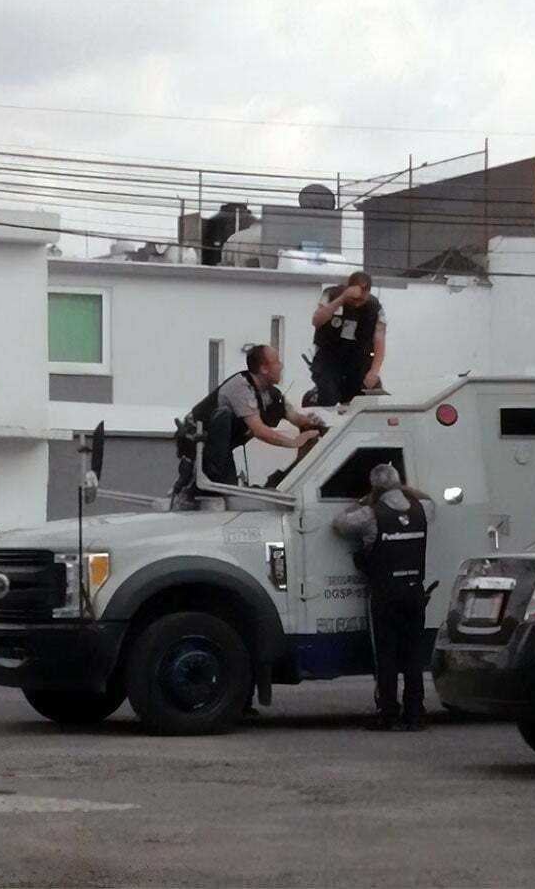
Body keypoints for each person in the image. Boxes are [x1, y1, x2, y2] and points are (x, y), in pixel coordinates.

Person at [333, 464, 434, 731]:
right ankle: (415, 715)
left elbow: (340, 524)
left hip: (385, 593)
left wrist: (365, 498)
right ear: (400, 484)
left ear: (375, 488)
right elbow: (430, 499)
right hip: (415, 591)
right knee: (413, 655)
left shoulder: (370, 514)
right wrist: (404, 489)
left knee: (386, 655)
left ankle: (388, 714)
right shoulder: (422, 509)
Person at [176, 345, 320, 489]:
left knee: (229, 488)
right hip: (200, 444)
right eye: (276, 362)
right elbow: (259, 430)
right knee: (222, 489)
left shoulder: (270, 394)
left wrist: (310, 422)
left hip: (222, 449)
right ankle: (193, 489)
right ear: (264, 369)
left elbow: (293, 416)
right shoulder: (241, 387)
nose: (281, 367)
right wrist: (294, 442)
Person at [310, 271, 386, 406]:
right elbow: (317, 320)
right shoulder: (331, 294)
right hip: (330, 357)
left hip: (358, 359)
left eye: (360, 300)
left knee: (366, 396)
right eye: (353, 300)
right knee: (329, 395)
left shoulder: (375, 308)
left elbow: (379, 340)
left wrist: (374, 371)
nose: (356, 304)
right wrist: (342, 299)